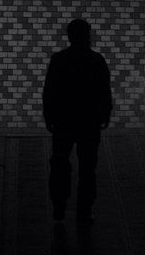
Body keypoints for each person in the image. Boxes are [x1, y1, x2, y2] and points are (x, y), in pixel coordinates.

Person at [42, 19, 113, 224]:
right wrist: (104, 114)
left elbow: (50, 91)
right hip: (88, 121)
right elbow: (104, 91)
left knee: (60, 163)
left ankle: (59, 206)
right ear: (86, 36)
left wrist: (49, 116)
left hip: (64, 120)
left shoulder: (59, 60)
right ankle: (84, 209)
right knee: (87, 167)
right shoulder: (96, 60)